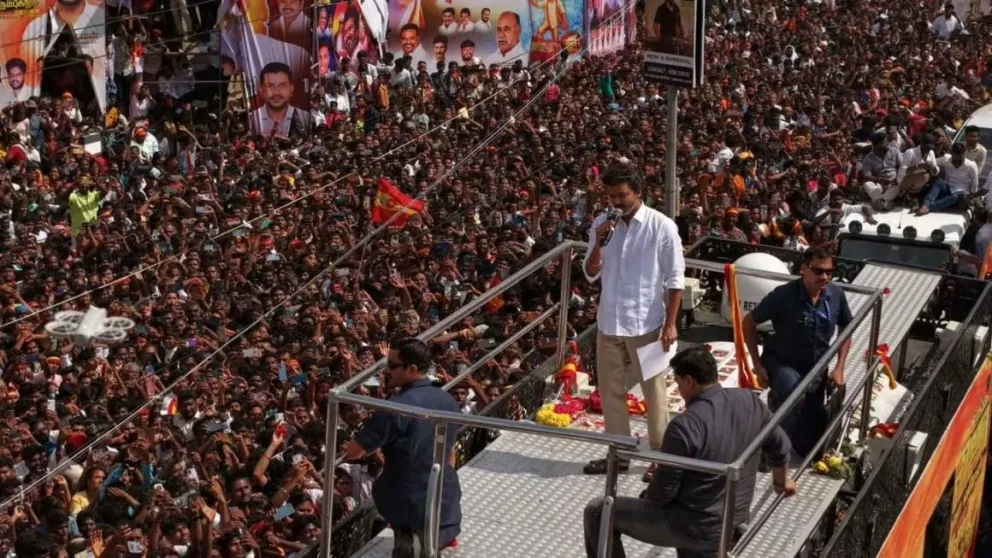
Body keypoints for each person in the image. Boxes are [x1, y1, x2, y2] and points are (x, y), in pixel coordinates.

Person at [583, 347, 796, 558]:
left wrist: (646, 496)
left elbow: (663, 492)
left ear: (689, 382)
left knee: (598, 511)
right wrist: (781, 482)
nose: (679, 390)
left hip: (694, 526)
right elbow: (780, 445)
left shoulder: (684, 426)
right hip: (735, 518)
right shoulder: (750, 401)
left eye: (677, 383)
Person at [582, 163, 684, 480]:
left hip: (648, 323)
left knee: (654, 392)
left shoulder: (661, 226)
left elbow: (675, 279)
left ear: (639, 193)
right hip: (609, 322)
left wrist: (670, 323)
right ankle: (620, 452)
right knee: (610, 391)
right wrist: (599, 242)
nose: (617, 202)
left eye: (622, 195)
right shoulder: (602, 223)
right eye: (611, 196)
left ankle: (659, 458)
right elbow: (590, 272)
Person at [346, 338, 462, 557]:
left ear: (412, 369)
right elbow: (450, 452)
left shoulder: (394, 408)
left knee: (385, 487)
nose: (387, 371)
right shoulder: (448, 399)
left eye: (391, 366)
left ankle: (404, 532)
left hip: (405, 498)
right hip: (445, 495)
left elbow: (354, 451)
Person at [743, 247, 853, 457]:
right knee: (792, 394)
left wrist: (839, 367)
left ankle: (792, 437)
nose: (825, 277)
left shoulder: (836, 294)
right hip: (783, 363)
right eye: (819, 271)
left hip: (817, 366)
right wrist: (757, 365)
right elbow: (748, 322)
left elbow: (847, 329)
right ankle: (770, 448)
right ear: (804, 269)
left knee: (809, 444)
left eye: (829, 272)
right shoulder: (783, 295)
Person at [918, 142, 981, 215]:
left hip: (961, 192)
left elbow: (974, 183)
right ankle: (926, 204)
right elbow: (933, 162)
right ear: (952, 153)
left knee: (956, 195)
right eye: (956, 156)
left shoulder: (971, 165)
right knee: (939, 182)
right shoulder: (946, 159)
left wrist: (971, 196)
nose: (958, 159)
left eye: (961, 155)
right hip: (947, 187)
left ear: (963, 154)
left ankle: (928, 207)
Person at [251, 62, 310, 137]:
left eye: (282, 85)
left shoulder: (305, 118)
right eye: (270, 86)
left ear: (291, 88)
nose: (276, 92)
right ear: (261, 90)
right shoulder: (252, 120)